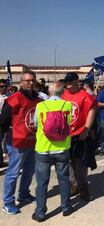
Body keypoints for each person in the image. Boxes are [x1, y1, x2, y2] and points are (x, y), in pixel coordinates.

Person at [1, 71, 42, 214]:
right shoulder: (14, 99)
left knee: (29, 171)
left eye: (32, 80)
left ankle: (24, 194)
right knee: (13, 173)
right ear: (21, 83)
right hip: (16, 142)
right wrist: (7, 138)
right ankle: (8, 202)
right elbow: (3, 121)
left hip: (32, 141)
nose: (30, 83)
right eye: (27, 80)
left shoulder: (38, 99)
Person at [31, 82, 73, 222]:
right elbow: (70, 122)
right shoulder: (67, 105)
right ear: (62, 92)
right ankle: (66, 207)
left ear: (49, 91)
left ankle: (40, 212)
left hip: (43, 148)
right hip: (62, 148)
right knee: (64, 179)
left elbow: (36, 124)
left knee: (42, 182)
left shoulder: (40, 106)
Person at [61, 72, 97, 202]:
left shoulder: (85, 96)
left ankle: (83, 188)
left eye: (71, 80)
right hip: (65, 136)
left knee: (81, 164)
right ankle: (73, 185)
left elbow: (91, 111)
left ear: (77, 81)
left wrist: (86, 130)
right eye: (67, 81)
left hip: (80, 135)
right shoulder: (62, 95)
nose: (68, 83)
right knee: (68, 163)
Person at [0, 79, 10, 167]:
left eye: (5, 86)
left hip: (6, 122)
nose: (3, 88)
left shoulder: (10, 96)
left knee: (5, 140)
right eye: (1, 86)